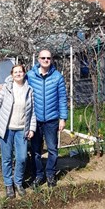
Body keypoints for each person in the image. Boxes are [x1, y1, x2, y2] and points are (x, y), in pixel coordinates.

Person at [0, 64, 36, 198]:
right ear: (11, 74)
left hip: (22, 129)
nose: (18, 74)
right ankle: (9, 184)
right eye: (15, 72)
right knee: (7, 158)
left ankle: (18, 182)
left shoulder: (29, 90)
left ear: (24, 73)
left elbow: (32, 111)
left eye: (20, 72)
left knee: (22, 158)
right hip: (6, 129)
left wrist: (32, 128)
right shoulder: (5, 88)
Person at [27, 49, 68, 187]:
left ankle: (50, 174)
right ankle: (39, 175)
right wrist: (5, 86)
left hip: (51, 119)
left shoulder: (57, 77)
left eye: (48, 58)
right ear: (38, 59)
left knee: (52, 149)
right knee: (36, 150)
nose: (46, 60)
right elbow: (17, 81)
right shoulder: (30, 76)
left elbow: (62, 98)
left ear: (51, 60)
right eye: (43, 58)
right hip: (35, 120)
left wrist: (63, 118)